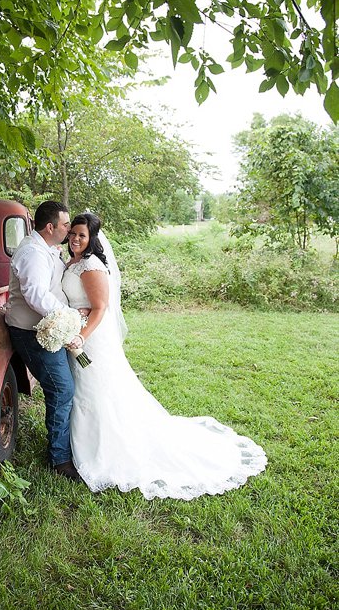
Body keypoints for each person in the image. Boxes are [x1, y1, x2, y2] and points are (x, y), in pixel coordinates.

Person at [63, 213, 267, 499]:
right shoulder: (72, 262)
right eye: (72, 233)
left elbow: (100, 307)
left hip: (90, 339)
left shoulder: (91, 265)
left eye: (81, 235)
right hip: (77, 332)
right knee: (84, 390)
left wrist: (81, 336)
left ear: (92, 239)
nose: (75, 239)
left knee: (97, 392)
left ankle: (105, 449)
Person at [4, 200, 81, 481]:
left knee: (65, 387)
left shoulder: (46, 248)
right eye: (64, 224)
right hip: (33, 332)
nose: (68, 228)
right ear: (50, 227)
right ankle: (59, 458)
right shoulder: (32, 253)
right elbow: (35, 294)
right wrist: (67, 319)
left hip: (49, 327)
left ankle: (65, 445)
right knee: (61, 389)